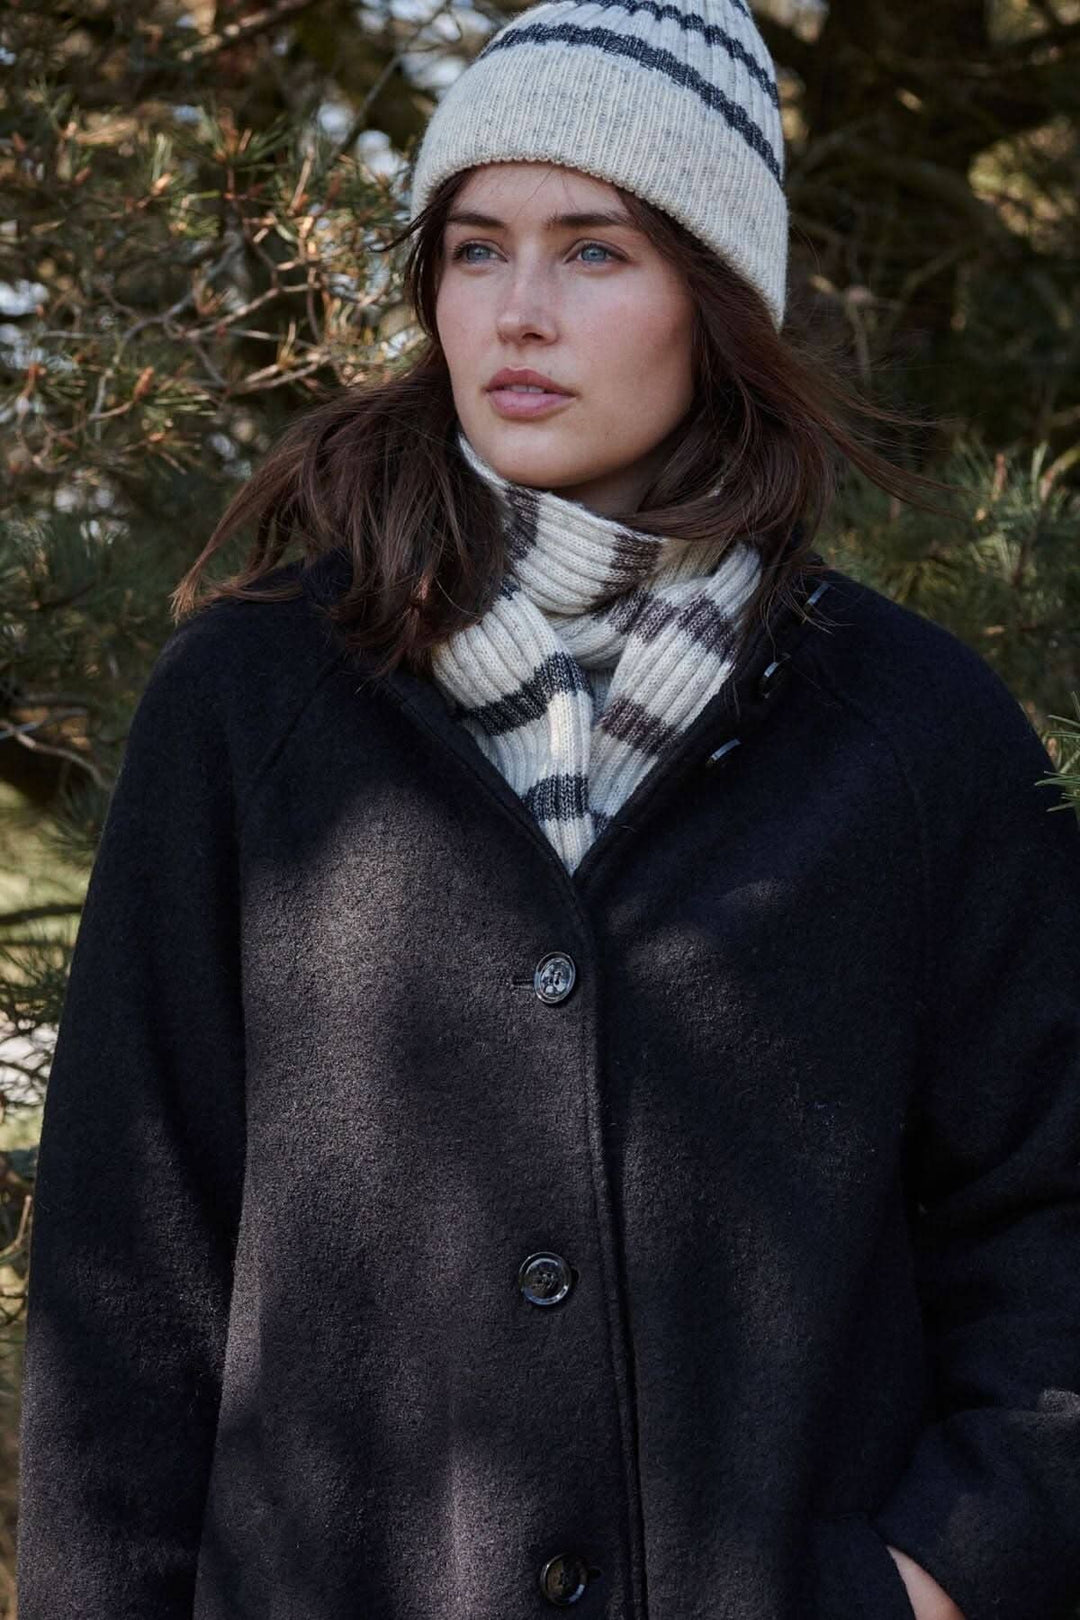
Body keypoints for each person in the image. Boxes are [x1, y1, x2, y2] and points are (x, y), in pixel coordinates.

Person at [14, 0, 1080, 1616]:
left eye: (595, 251)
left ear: (716, 302)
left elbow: (1047, 1220)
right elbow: (127, 1279)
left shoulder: (917, 739)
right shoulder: (250, 705)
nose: (518, 312)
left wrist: (944, 1577)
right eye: (473, 248)